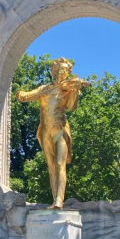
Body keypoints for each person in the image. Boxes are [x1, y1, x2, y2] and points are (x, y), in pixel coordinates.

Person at [15, 58, 90, 209]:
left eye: (65, 70)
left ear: (68, 72)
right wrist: (17, 92)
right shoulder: (44, 89)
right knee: (51, 166)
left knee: (60, 164)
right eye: (60, 70)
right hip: (44, 130)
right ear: (54, 71)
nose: (63, 73)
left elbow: (71, 106)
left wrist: (75, 89)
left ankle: (59, 201)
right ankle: (54, 198)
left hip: (60, 128)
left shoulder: (68, 88)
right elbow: (26, 97)